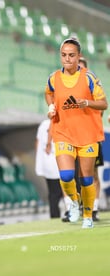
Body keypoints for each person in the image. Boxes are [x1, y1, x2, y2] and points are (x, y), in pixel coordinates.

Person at [45, 37, 108, 229]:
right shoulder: (54, 77)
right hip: (63, 132)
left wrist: (87, 102)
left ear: (78, 56)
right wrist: (51, 106)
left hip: (87, 134)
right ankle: (73, 205)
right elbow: (48, 92)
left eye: (71, 55)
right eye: (64, 55)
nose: (67, 59)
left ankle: (88, 214)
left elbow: (104, 103)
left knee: (87, 178)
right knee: (65, 175)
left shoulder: (89, 77)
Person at [78, 56, 103, 222]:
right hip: (75, 137)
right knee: (80, 173)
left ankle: (94, 207)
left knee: (93, 173)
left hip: (91, 136)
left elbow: (101, 110)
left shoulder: (93, 89)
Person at [35, 119, 65, 218]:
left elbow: (37, 144)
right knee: (64, 191)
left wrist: (40, 160)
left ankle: (54, 216)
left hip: (47, 164)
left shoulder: (43, 124)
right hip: (60, 163)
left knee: (53, 193)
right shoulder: (61, 122)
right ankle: (69, 212)